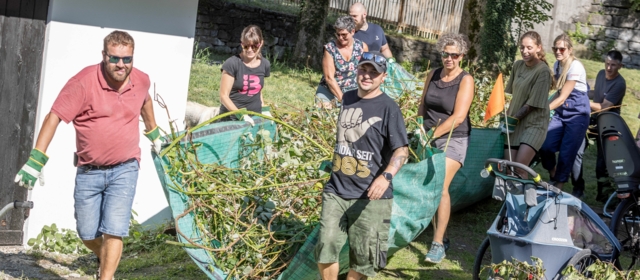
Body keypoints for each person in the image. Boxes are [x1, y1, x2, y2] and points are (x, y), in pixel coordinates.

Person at [13, 30, 161, 280]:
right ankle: (105, 260)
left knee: (114, 230)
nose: (121, 65)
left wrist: (153, 132)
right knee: (87, 233)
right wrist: (36, 159)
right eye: (114, 58)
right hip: (89, 170)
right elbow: (54, 117)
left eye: (127, 59)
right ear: (104, 56)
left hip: (126, 167)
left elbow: (145, 100)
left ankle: (106, 276)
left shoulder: (141, 79)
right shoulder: (83, 82)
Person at [315, 52, 409, 280]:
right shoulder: (347, 99)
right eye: (363, 70)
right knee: (326, 247)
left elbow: (402, 151)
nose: (367, 76)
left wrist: (385, 176)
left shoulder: (389, 108)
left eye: (373, 73)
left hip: (371, 196)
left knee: (364, 258)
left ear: (383, 77)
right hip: (337, 189)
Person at [418, 33, 475, 264]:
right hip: (427, 136)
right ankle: (443, 233)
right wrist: (420, 128)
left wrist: (431, 135)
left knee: (439, 186)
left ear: (462, 56)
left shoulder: (466, 80)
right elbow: (422, 105)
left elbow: (459, 117)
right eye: (445, 54)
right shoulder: (432, 74)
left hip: (454, 138)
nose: (449, 58)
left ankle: (438, 244)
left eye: (454, 55)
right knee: (427, 185)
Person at [571, 50, 626, 200]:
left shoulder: (620, 83)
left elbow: (605, 106)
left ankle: (603, 196)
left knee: (602, 164)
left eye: (613, 65)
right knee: (576, 152)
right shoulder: (601, 73)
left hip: (609, 124)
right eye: (607, 64)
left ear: (620, 66)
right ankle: (577, 188)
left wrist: (583, 102)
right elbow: (597, 94)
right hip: (592, 120)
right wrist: (579, 92)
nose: (609, 68)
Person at [539, 34, 590, 190]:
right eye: (555, 48)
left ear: (569, 49)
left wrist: (542, 110)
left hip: (578, 115)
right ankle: (554, 174)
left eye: (562, 48)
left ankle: (558, 187)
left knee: (567, 152)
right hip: (561, 114)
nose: (558, 51)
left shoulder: (575, 67)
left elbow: (562, 98)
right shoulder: (556, 65)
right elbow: (554, 91)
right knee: (545, 145)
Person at [502, 31, 553, 177]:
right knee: (509, 169)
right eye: (522, 47)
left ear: (538, 48)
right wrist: (505, 116)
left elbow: (532, 104)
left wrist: (511, 120)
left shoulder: (543, 71)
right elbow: (511, 95)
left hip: (534, 124)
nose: (525, 51)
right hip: (515, 123)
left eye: (529, 48)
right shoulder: (517, 65)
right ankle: (510, 199)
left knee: (519, 169)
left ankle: (523, 198)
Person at [219, 25, 271, 124]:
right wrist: (240, 115)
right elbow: (223, 96)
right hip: (231, 119)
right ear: (241, 43)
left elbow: (257, 91)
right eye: (246, 46)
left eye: (254, 46)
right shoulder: (232, 64)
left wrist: (264, 110)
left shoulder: (265, 64)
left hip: (255, 119)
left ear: (261, 44)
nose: (250, 49)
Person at [316, 16, 368, 108]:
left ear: (352, 31)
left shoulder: (362, 47)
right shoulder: (330, 49)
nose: (340, 38)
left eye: (344, 34)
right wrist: (344, 101)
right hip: (329, 91)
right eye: (338, 34)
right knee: (323, 113)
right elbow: (329, 78)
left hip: (354, 91)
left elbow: (366, 71)